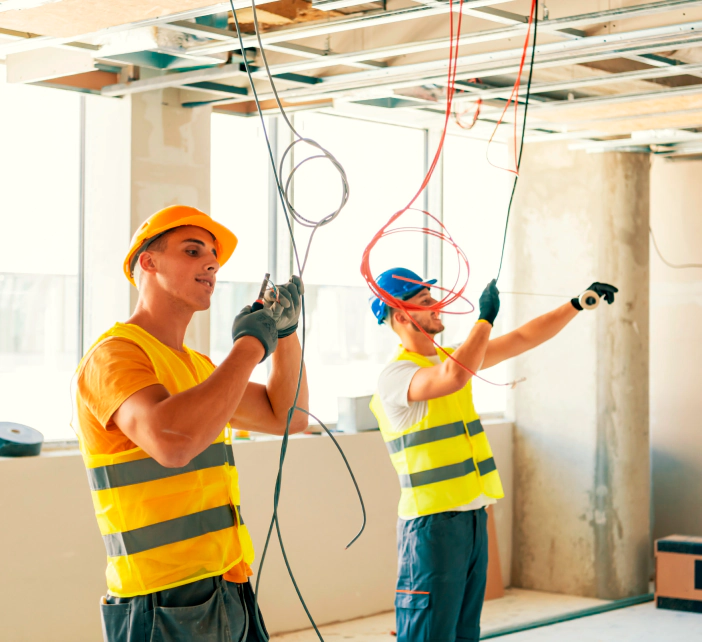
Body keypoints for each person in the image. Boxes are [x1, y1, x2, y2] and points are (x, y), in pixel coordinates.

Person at [75, 205, 308, 642]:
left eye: (214, 256)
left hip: (229, 584)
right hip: (161, 601)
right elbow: (172, 443)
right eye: (192, 250)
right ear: (148, 261)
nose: (212, 263)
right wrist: (252, 345)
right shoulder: (113, 356)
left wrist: (286, 332)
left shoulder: (199, 368)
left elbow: (288, 416)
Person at [368, 267, 618, 642]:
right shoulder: (397, 375)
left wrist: (576, 304)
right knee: (430, 635)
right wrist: (484, 318)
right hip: (431, 527)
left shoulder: (451, 358)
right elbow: (452, 378)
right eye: (425, 301)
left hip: (471, 520)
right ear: (401, 315)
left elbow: (522, 338)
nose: (438, 305)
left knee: (465, 633)